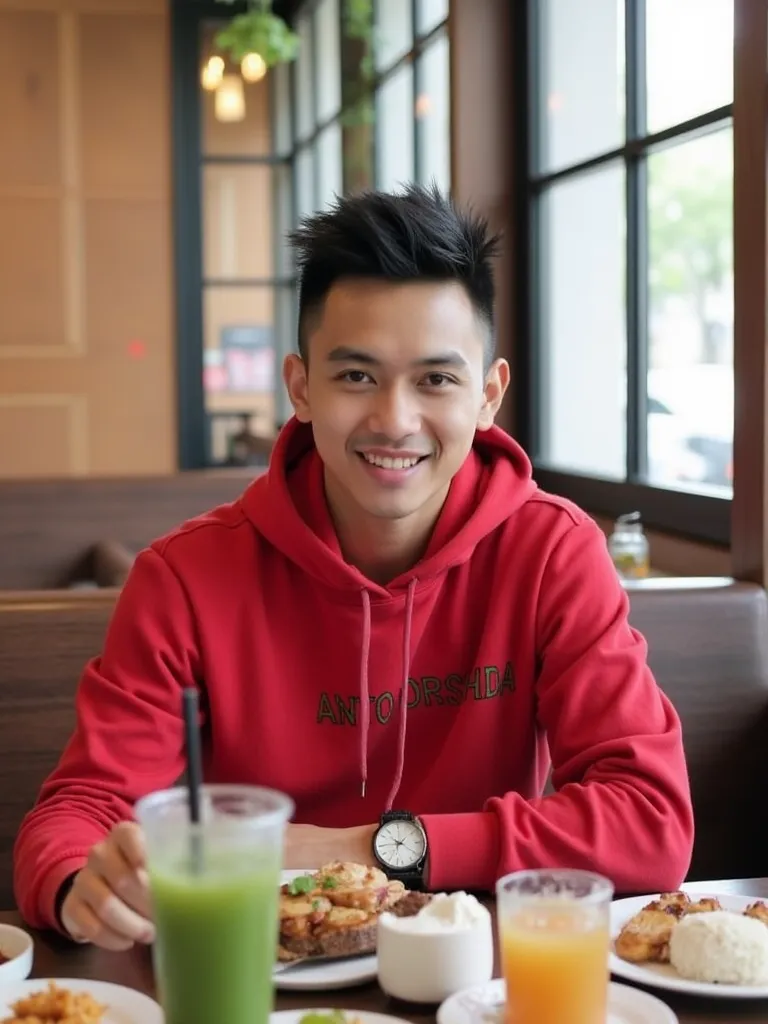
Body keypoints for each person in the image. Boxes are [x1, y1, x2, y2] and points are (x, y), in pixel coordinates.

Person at [14, 184, 693, 951]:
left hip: (471, 978)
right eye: (357, 376)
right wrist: (81, 885)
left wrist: (369, 848)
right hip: (255, 975)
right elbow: (77, 813)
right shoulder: (185, 577)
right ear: (301, 387)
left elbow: (651, 821)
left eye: (436, 379)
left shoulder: (551, 552)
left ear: (487, 396)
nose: (394, 420)